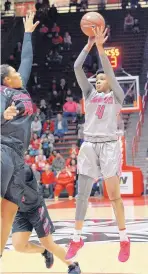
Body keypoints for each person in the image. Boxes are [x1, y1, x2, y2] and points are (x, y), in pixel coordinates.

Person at [65, 27, 130, 263]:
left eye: (102, 78)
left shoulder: (117, 96)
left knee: (114, 197)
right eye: (97, 78)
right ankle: (76, 237)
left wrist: (102, 49)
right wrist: (89, 44)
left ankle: (124, 240)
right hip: (89, 145)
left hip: (110, 146)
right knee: (81, 195)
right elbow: (76, 68)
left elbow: (110, 74)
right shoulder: (89, 94)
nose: (99, 80)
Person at [0, 12, 39, 256]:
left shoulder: (21, 88)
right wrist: (3, 116)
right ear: (6, 79)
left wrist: (27, 34)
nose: (19, 73)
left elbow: (27, 57)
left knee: (8, 211)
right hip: (2, 149)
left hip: (18, 156)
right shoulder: (2, 93)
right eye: (15, 72)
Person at [12, 165, 81, 273]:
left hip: (36, 209)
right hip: (20, 211)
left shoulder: (23, 170)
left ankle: (72, 265)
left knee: (48, 243)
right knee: (19, 245)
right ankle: (45, 251)